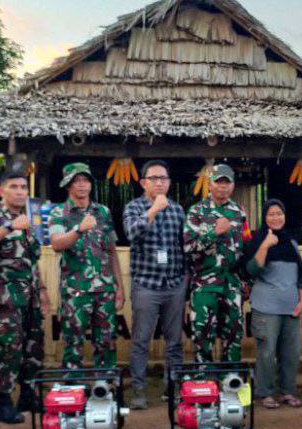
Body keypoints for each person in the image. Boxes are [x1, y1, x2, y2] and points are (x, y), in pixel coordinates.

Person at [0, 171, 50, 423]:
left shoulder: (26, 220)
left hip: (30, 297)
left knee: (33, 347)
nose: (20, 191)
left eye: (23, 187)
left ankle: (28, 395)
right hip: (6, 297)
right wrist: (7, 227)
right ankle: (3, 402)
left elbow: (31, 261)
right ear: (1, 191)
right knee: (9, 348)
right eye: (14, 187)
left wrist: (42, 291)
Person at [123, 160, 186, 409]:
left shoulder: (178, 210)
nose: (160, 183)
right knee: (141, 340)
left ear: (169, 183)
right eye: (154, 178)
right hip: (146, 285)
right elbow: (131, 234)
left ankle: (173, 388)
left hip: (174, 283)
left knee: (175, 342)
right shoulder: (133, 207)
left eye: (164, 178)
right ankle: (139, 390)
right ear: (143, 182)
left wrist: (185, 279)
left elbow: (183, 247)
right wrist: (153, 210)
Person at [48, 163, 123, 369]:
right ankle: (73, 386)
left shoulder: (103, 212)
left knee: (106, 341)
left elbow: (111, 251)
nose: (82, 185)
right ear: (67, 185)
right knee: (73, 341)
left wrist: (119, 288)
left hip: (105, 290)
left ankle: (104, 386)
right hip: (76, 291)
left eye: (85, 180)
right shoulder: (59, 213)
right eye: (76, 181)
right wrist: (78, 230)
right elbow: (56, 244)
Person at [241, 199, 302, 408]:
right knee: (267, 352)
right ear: (264, 218)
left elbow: (300, 274)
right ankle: (266, 392)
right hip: (266, 307)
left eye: (279, 213)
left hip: (291, 308)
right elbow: (252, 270)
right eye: (271, 214)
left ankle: (287, 391)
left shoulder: (291, 242)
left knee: (291, 352)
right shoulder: (258, 240)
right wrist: (266, 246)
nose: (276, 218)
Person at [183, 164, 248, 362]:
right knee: (203, 334)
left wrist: (246, 281)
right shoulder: (196, 212)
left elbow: (245, 248)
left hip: (232, 284)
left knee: (234, 333)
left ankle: (230, 380)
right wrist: (214, 233)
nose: (222, 187)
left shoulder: (239, 213)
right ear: (209, 185)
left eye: (226, 183)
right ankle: (204, 380)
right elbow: (188, 247)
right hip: (205, 285)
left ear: (233, 186)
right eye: (218, 182)